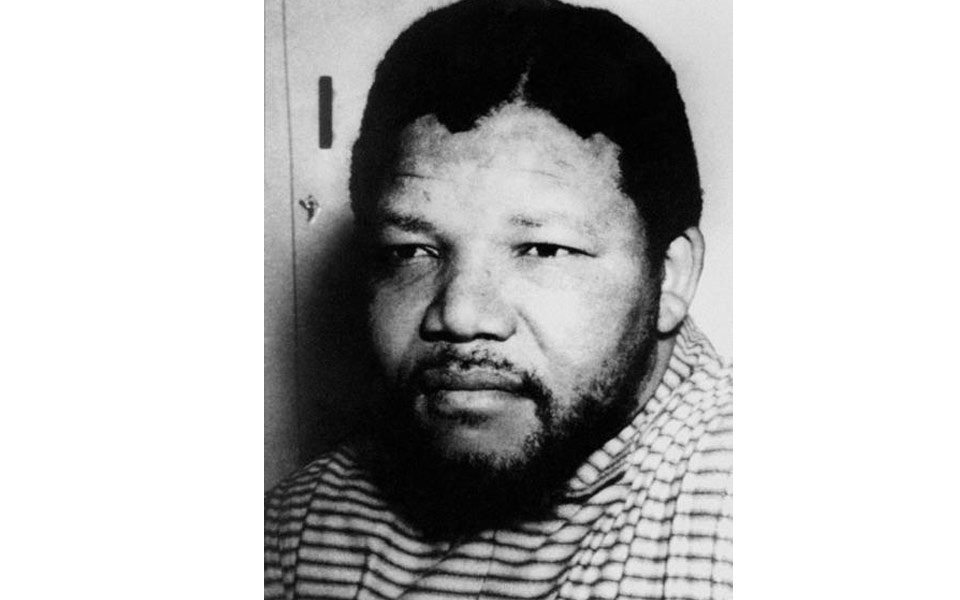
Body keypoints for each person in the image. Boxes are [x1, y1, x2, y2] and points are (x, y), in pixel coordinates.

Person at [265, 0, 732, 598]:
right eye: (410, 251)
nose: (460, 314)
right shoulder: (299, 530)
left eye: (542, 249)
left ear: (670, 276)